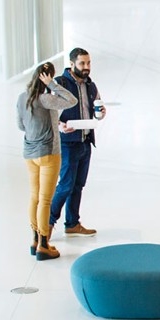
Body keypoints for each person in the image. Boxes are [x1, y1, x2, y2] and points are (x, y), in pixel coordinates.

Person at [15, 62, 77, 261]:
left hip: (29, 153)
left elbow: (20, 125)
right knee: (46, 199)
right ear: (46, 77)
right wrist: (53, 85)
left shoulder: (22, 98)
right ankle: (44, 244)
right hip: (49, 153)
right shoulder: (46, 99)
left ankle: (35, 240)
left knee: (34, 197)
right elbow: (71, 100)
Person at [49, 47, 104, 237]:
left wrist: (101, 113)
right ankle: (47, 224)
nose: (86, 67)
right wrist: (59, 125)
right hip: (68, 143)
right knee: (65, 185)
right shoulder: (59, 84)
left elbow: (96, 107)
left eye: (88, 63)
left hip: (85, 141)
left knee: (78, 185)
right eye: (82, 63)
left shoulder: (91, 85)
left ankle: (72, 223)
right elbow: (48, 111)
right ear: (72, 64)